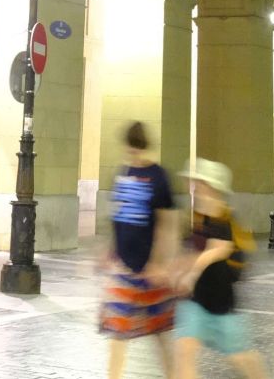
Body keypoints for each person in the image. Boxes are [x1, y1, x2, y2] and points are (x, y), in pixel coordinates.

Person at [173, 159, 267, 379]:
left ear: (213, 188)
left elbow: (216, 250)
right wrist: (175, 269)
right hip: (196, 300)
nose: (195, 186)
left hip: (221, 301)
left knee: (241, 357)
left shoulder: (223, 218)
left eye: (201, 183)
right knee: (184, 351)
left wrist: (190, 274)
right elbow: (194, 251)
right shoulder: (197, 216)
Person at [100, 121, 178, 379]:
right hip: (124, 265)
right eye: (130, 148)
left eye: (137, 148)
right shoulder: (122, 172)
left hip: (150, 268)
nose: (133, 153)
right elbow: (118, 215)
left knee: (159, 331)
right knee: (118, 330)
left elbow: (166, 223)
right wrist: (110, 251)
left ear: (143, 146)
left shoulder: (158, 176)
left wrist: (158, 262)